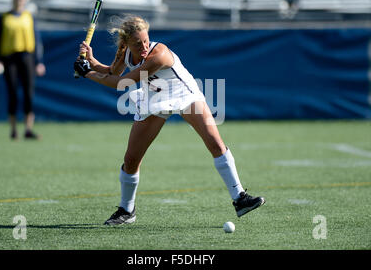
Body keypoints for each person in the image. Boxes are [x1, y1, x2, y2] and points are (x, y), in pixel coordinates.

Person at [73, 15, 265, 225]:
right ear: (126, 43)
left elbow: (122, 83)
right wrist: (91, 62)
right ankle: (127, 210)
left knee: (215, 142)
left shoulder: (159, 55)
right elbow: (112, 72)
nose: (144, 46)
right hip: (154, 97)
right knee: (131, 159)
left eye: (146, 40)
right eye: (138, 44)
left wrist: (87, 74)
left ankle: (240, 198)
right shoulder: (125, 52)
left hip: (183, 93)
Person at [0, 0, 45, 140]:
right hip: (9, 58)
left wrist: (39, 62)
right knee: (12, 93)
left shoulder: (29, 17)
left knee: (29, 93)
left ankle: (28, 129)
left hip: (27, 57)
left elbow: (37, 40)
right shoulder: (4, 18)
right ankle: (13, 130)